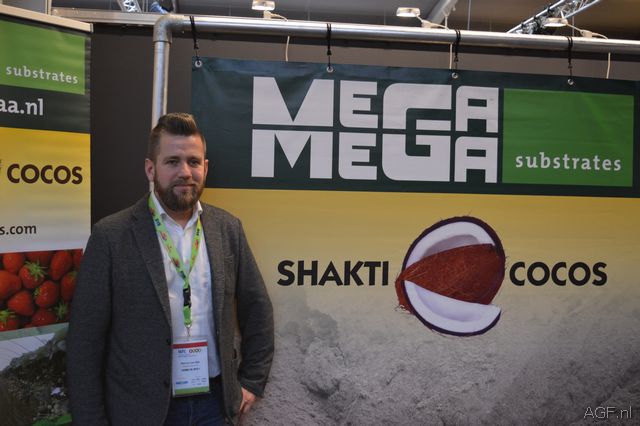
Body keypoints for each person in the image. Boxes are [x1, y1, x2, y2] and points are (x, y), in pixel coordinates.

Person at [67, 112, 274, 425]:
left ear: (205, 167)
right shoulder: (111, 235)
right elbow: (85, 341)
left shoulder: (227, 229)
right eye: (172, 161)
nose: (185, 172)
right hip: (142, 411)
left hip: (214, 405)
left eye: (193, 162)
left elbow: (257, 307)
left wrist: (252, 381)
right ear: (151, 168)